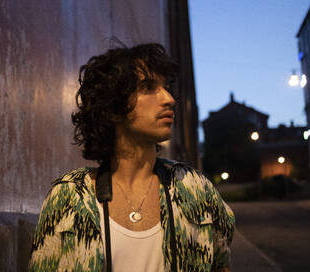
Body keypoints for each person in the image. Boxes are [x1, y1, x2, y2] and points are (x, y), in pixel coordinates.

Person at [29, 43, 235, 272]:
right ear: (113, 108)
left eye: (166, 87)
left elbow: (221, 266)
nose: (169, 99)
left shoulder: (196, 188)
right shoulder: (69, 196)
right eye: (148, 87)